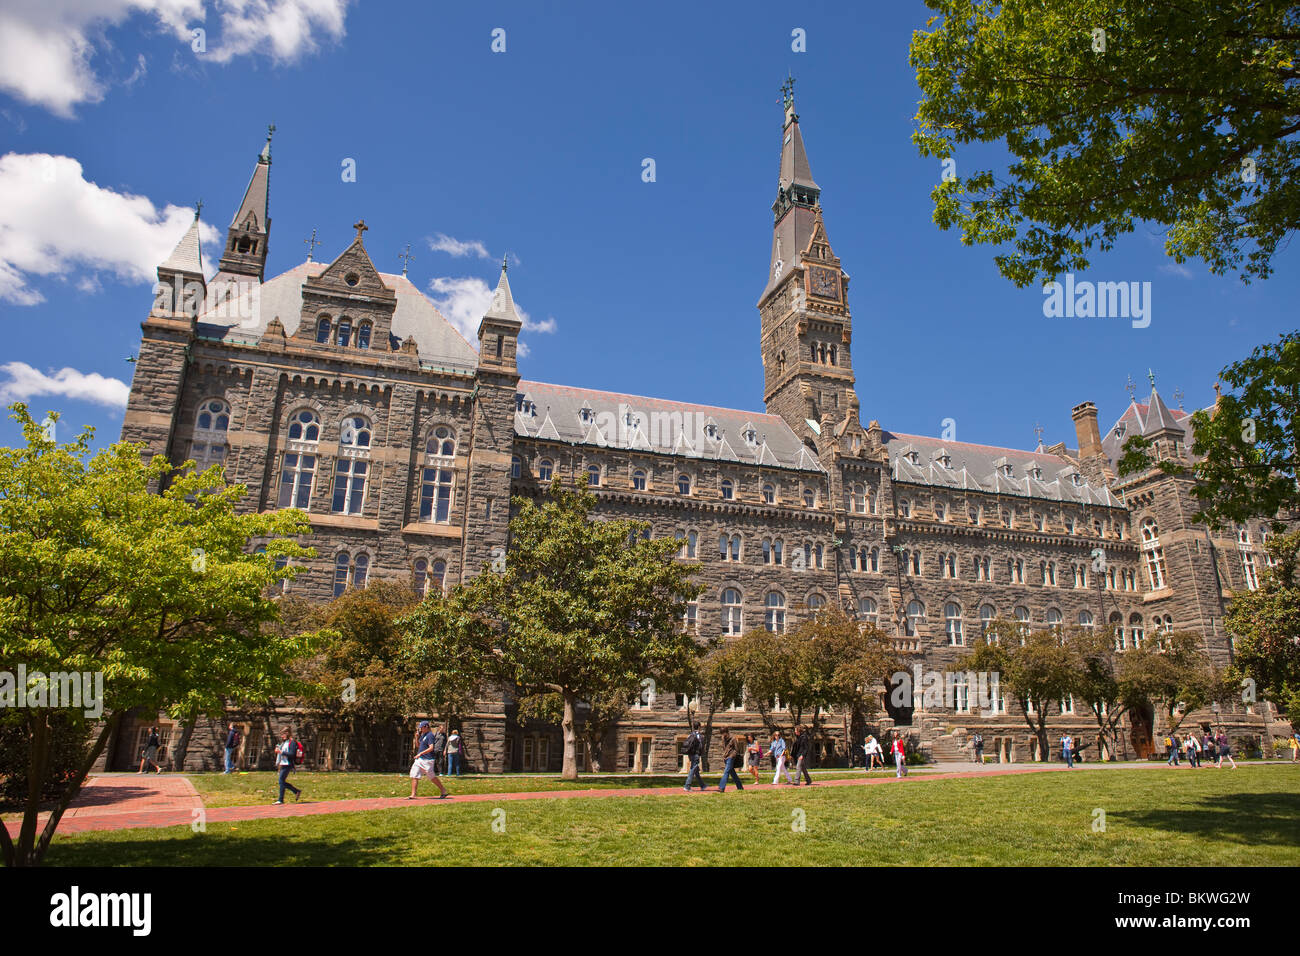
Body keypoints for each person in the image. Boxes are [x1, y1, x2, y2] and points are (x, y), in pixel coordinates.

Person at [408, 720, 449, 798]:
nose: (420, 729)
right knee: (414, 775)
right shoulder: (423, 735)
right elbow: (418, 746)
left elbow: (431, 748)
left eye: (421, 728)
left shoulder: (430, 735)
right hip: (420, 759)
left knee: (431, 777)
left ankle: (443, 790)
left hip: (428, 760)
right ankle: (413, 794)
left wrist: (420, 753)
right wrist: (416, 738)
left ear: (426, 727)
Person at [273, 729, 303, 804]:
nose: (281, 736)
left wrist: (281, 752)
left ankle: (281, 799)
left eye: (283, 734)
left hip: (288, 764)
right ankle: (296, 791)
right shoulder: (284, 743)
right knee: (281, 781)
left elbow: (292, 754)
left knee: (281, 781)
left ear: (287, 733)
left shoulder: (292, 743)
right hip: (283, 763)